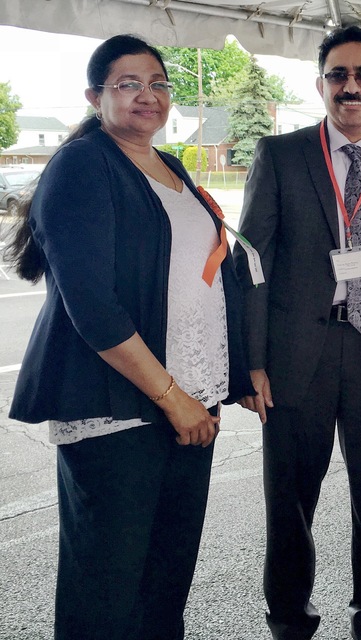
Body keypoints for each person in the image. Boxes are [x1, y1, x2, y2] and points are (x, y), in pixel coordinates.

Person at [3, 34, 253, 640]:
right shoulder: (83, 165)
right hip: (120, 408)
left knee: (166, 582)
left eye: (158, 84)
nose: (148, 95)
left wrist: (231, 376)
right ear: (95, 96)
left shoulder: (169, 165)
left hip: (192, 404)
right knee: (107, 591)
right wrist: (172, 397)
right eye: (129, 84)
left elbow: (213, 272)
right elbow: (93, 306)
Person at [234, 25, 361, 640]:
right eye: (338, 75)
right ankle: (289, 618)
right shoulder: (281, 155)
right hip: (297, 356)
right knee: (290, 499)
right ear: (319, 83)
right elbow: (252, 263)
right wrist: (252, 362)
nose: (352, 87)